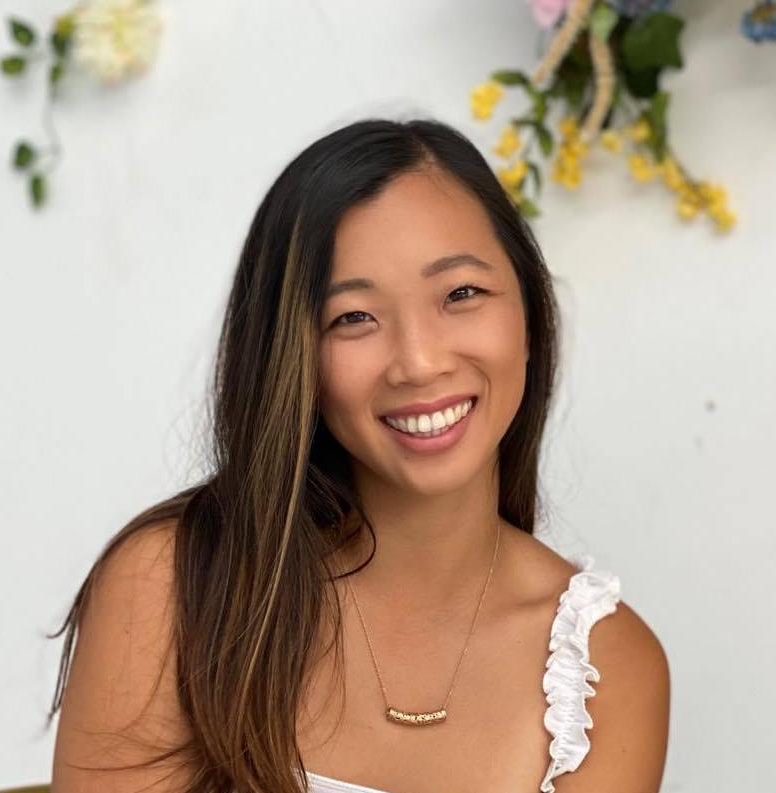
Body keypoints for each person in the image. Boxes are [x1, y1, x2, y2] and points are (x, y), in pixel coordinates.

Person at [48, 117, 670, 793]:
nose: (419, 361)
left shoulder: (606, 669)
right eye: (353, 318)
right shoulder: (172, 588)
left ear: (528, 314)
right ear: (293, 356)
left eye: (461, 294)